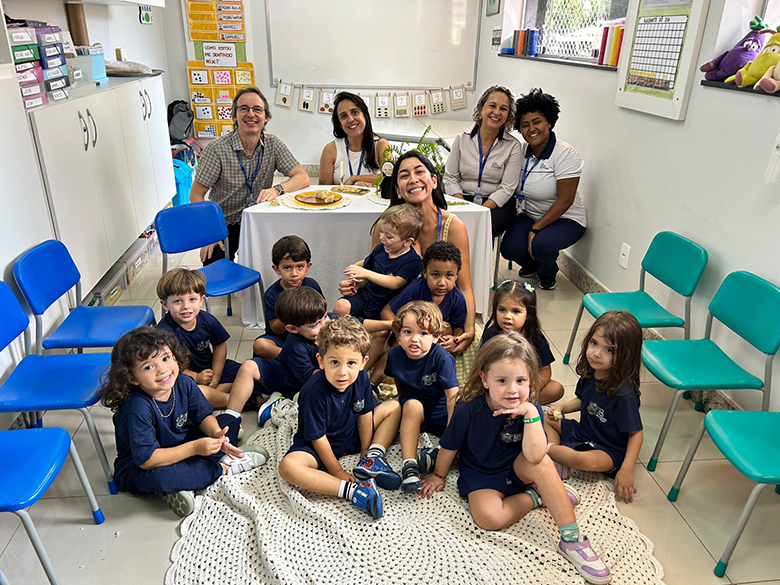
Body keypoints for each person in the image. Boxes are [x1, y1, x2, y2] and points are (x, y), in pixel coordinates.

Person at [420, 333, 612, 585]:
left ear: (530, 380)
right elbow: (449, 446)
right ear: (485, 379)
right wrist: (439, 475)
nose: (512, 389)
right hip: (482, 472)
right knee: (488, 518)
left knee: (542, 463)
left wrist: (531, 413)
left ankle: (572, 540)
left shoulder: (529, 405)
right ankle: (538, 495)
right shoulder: (468, 408)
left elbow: (535, 454)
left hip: (518, 465)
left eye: (521, 380)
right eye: (502, 380)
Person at [100, 327, 269, 517]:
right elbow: (148, 460)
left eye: (165, 358)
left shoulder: (184, 382)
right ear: (132, 378)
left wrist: (217, 435)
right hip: (142, 465)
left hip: (181, 442)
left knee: (228, 422)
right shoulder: (136, 408)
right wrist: (195, 448)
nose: (162, 370)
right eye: (148, 367)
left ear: (175, 357)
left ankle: (191, 478)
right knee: (163, 478)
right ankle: (221, 468)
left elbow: (203, 417)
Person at [278, 317, 402, 519]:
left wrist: (365, 450)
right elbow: (317, 438)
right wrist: (337, 472)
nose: (342, 372)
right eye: (334, 362)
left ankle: (373, 458)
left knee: (395, 406)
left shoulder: (361, 377)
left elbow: (365, 414)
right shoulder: (313, 391)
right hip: (319, 445)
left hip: (352, 433)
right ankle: (354, 492)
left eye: (351, 363)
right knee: (288, 467)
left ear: (363, 363)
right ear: (321, 361)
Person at [370, 150, 477, 353]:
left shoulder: (453, 227)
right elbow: (374, 276)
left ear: (434, 181)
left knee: (471, 344)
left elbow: (464, 287)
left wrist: (468, 331)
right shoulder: (384, 228)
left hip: (436, 320)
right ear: (398, 190)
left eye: (419, 172)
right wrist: (355, 283)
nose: (413, 179)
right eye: (404, 175)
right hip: (392, 315)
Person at [190, 86, 310, 265]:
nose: (251, 114)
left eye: (257, 109)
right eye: (244, 109)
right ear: (234, 116)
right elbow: (195, 195)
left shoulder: (273, 144)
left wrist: (277, 190)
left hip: (259, 219)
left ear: (266, 117)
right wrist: (210, 232)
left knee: (281, 261)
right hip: (225, 223)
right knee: (214, 263)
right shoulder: (217, 149)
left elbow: (302, 177)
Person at [546, 311, 643, 505]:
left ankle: (545, 450)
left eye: (609, 350)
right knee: (547, 419)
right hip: (583, 433)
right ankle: (556, 458)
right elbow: (583, 400)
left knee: (584, 461)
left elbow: (636, 434)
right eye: (594, 343)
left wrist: (626, 469)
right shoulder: (592, 373)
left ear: (626, 356)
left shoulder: (624, 395)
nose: (596, 353)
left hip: (608, 449)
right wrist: (562, 408)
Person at [500, 88, 587, 291]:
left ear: (549, 121)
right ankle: (533, 265)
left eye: (537, 122)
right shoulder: (520, 151)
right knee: (509, 248)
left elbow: (565, 200)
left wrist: (535, 229)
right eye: (525, 125)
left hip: (565, 219)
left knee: (542, 245)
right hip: (530, 214)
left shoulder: (565, 154)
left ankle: (547, 272)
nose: (531, 129)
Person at [384, 301, 459, 493]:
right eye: (408, 332)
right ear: (399, 335)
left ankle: (437, 455)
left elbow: (452, 398)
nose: (414, 339)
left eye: (423, 333)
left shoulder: (442, 358)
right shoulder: (394, 356)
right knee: (412, 405)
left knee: (466, 429)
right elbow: (399, 382)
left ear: (436, 337)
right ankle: (410, 466)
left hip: (441, 412)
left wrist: (450, 435)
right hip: (414, 411)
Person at [369, 241, 466, 384]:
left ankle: (431, 385)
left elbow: (458, 326)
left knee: (446, 334)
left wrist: (454, 339)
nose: (442, 282)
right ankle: (372, 384)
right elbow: (387, 310)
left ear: (457, 276)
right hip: (410, 333)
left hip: (432, 338)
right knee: (397, 350)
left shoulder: (457, 298)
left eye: (449, 276)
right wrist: (399, 331)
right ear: (425, 273)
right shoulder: (416, 289)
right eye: (435, 275)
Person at [232, 287, 328, 425]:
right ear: (292, 329)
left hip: (303, 379)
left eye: (325, 317)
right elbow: (309, 377)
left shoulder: (329, 324)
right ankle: (231, 417)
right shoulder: (296, 346)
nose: (324, 325)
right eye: (315, 325)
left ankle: (272, 400)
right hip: (291, 380)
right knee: (248, 366)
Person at [156, 268, 244, 409]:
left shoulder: (207, 319)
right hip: (184, 376)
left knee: (243, 370)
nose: (186, 306)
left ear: (201, 300)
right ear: (165, 304)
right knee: (183, 388)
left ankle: (213, 396)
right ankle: (239, 399)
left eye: (192, 299)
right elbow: (168, 366)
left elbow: (220, 345)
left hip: (209, 369)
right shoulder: (164, 332)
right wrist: (196, 377)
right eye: (178, 301)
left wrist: (216, 375)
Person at [443, 85, 523, 237]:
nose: (497, 112)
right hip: (462, 198)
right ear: (481, 108)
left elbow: (507, 188)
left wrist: (481, 210)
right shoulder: (462, 139)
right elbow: (450, 177)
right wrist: (464, 207)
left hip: (495, 205)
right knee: (451, 224)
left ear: (508, 115)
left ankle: (480, 255)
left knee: (483, 227)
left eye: (503, 109)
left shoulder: (513, 146)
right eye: (492, 106)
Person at [481, 280, 564, 405]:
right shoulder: (491, 336)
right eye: (502, 310)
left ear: (528, 315)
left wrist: (530, 391)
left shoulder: (536, 337)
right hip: (498, 386)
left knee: (556, 389)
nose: (507, 316)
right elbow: (482, 369)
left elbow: (545, 370)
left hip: (524, 385)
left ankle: (522, 403)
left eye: (515, 311)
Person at [334, 204, 423, 320]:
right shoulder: (380, 250)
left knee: (384, 326)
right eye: (381, 232)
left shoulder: (413, 261)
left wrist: (365, 273)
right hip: (367, 296)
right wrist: (353, 274)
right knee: (341, 306)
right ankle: (342, 329)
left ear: (407, 241)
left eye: (389, 236)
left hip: (389, 306)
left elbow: (396, 282)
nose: (381, 238)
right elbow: (366, 263)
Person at [253, 236, 323, 360]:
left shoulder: (312, 285)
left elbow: (322, 314)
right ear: (276, 269)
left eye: (299, 267)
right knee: (260, 345)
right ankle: (294, 358)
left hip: (308, 335)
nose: (294, 274)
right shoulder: (272, 294)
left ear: (308, 266)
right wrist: (291, 309)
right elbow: (276, 330)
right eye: (287, 268)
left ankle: (298, 357)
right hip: (282, 339)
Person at [319, 91, 390, 186]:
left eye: (355, 112)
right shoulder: (330, 150)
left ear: (365, 115)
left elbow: (390, 177)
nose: (350, 119)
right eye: (344, 116)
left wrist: (354, 178)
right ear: (339, 123)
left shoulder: (381, 145)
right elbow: (324, 191)